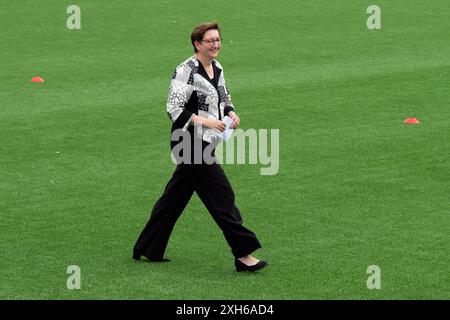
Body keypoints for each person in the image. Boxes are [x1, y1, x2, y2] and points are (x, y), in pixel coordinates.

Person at [132, 22, 267, 272]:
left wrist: (231, 113)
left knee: (174, 198)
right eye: (210, 41)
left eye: (218, 40)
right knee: (222, 195)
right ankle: (243, 254)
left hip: (207, 140)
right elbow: (173, 109)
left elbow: (224, 96)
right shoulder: (186, 70)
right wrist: (206, 121)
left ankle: (147, 247)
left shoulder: (216, 67)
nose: (216, 44)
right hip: (187, 142)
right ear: (197, 43)